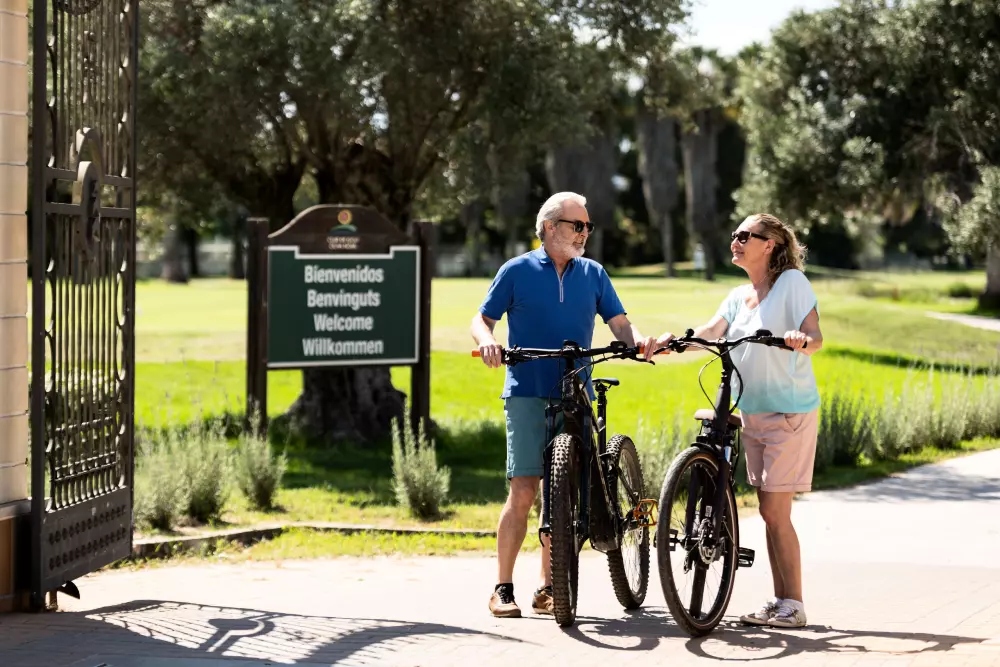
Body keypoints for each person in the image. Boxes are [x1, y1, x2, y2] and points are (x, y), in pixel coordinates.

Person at [471, 191, 656, 618]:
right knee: (523, 490)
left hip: (576, 393)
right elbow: (482, 319)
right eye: (578, 225)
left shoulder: (593, 273)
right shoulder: (516, 270)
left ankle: (549, 586)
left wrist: (638, 342)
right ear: (550, 227)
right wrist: (488, 342)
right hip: (527, 391)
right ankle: (502, 588)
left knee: (563, 494)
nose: (585, 233)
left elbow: (620, 323)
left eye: (588, 226)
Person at [655, 213, 823, 628]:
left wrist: (799, 341)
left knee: (775, 511)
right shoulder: (737, 295)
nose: (737, 240)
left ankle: (794, 603)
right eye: (734, 234)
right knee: (768, 512)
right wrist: (676, 343)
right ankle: (780, 601)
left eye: (746, 236)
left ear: (769, 244)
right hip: (753, 412)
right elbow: (712, 331)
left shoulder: (792, 283)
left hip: (789, 411)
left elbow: (815, 337)